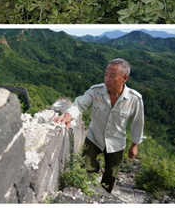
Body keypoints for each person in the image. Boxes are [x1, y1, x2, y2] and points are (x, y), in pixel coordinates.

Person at [53, 58, 144, 193]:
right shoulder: (96, 91)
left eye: (112, 76)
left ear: (125, 78)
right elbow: (80, 104)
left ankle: (103, 198)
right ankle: (82, 194)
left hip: (116, 143)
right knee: (86, 169)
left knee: (110, 176)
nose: (107, 79)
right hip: (94, 138)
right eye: (106, 75)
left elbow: (138, 122)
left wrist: (135, 144)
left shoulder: (134, 99)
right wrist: (69, 115)